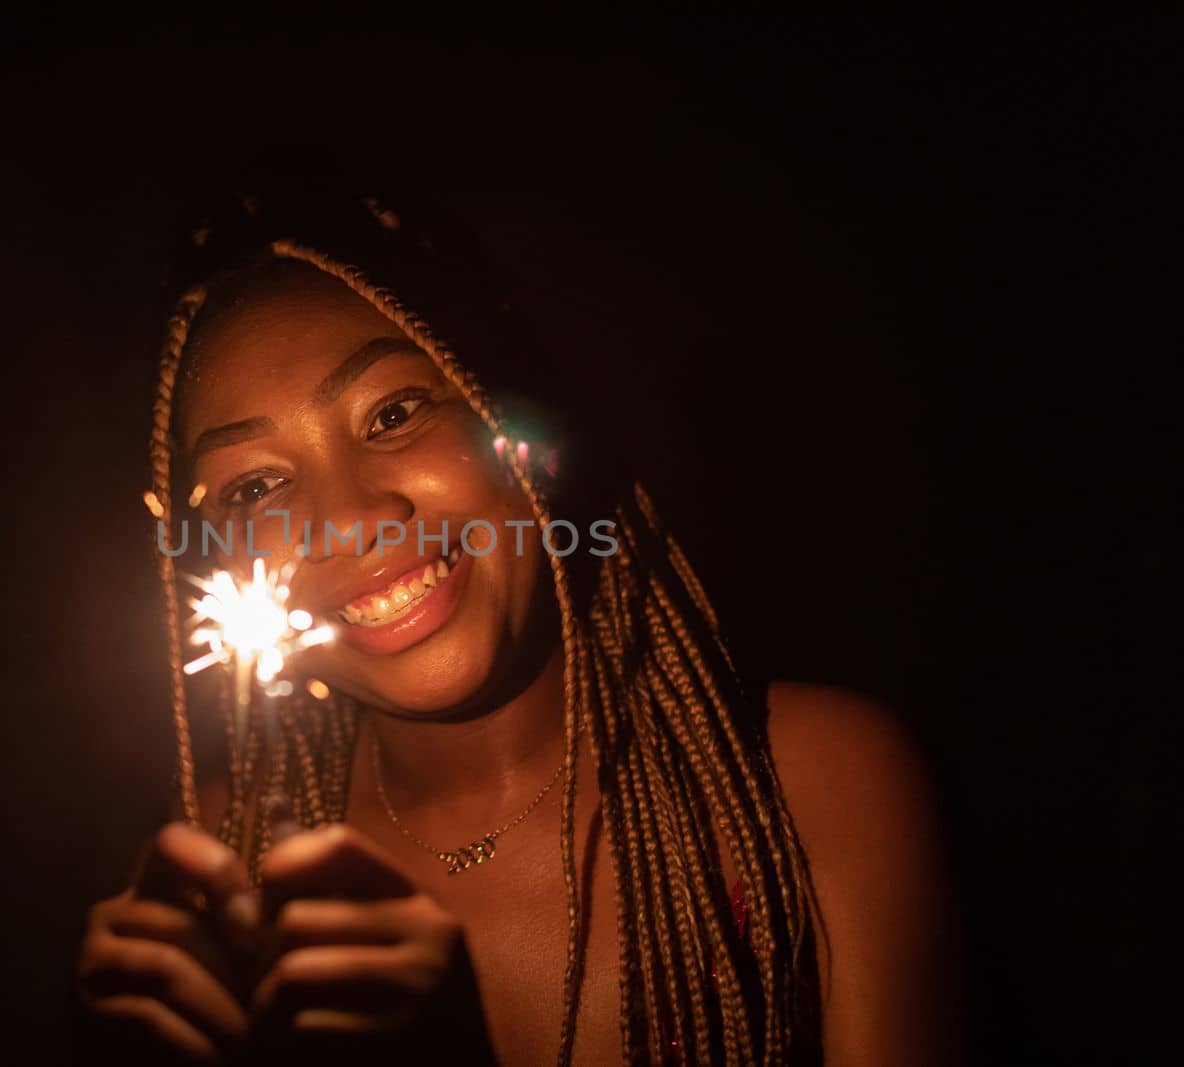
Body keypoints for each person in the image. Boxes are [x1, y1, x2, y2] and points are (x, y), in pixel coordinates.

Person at [76, 153, 956, 1066]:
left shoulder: (810, 789)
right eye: (255, 486)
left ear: (516, 428)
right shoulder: (221, 866)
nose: (351, 521)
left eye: (393, 414)